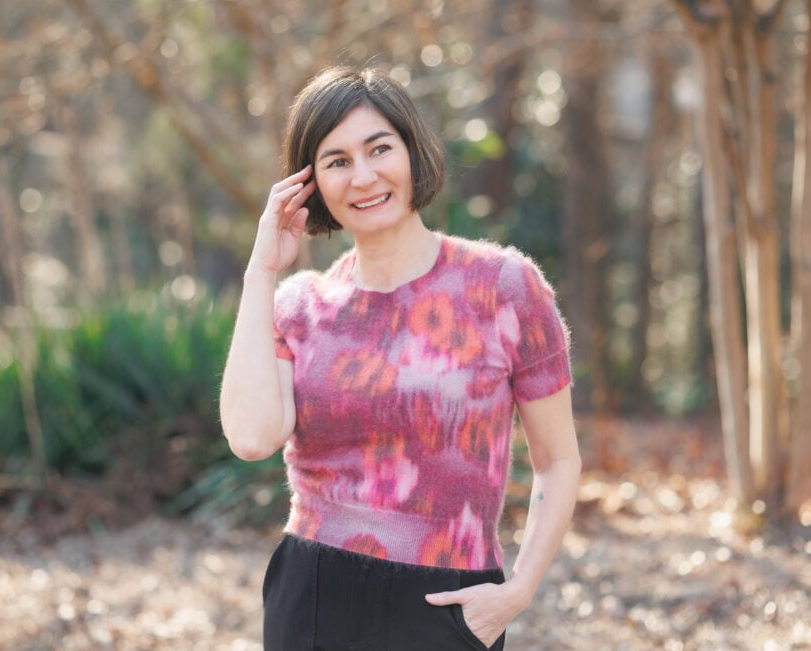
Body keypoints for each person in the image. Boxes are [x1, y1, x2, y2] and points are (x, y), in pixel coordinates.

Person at [220, 65, 581, 650]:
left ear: (413, 153)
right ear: (311, 185)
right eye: (336, 161)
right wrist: (261, 272)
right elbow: (251, 438)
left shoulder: (504, 287)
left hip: (447, 605)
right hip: (313, 598)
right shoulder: (299, 306)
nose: (363, 177)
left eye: (378, 148)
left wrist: (516, 592)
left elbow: (558, 460)